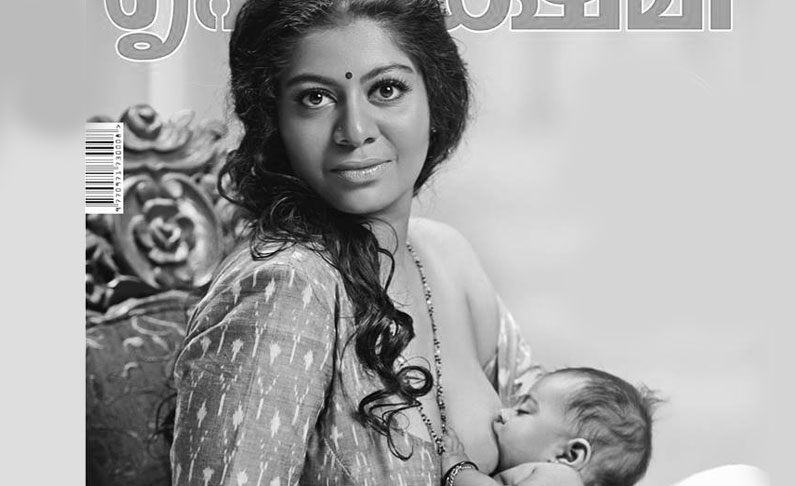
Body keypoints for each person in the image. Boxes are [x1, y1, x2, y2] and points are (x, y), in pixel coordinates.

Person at [168, 1, 584, 485]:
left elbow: (570, 451)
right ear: (274, 121)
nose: (356, 132)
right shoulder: (285, 286)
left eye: (386, 89)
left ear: (436, 100)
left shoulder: (446, 258)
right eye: (315, 98)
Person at [440, 368, 659, 486]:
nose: (504, 413)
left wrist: (458, 468)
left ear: (569, 455)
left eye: (523, 411)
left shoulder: (561, 478)